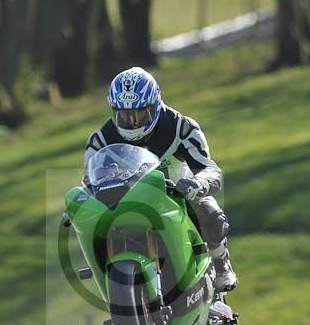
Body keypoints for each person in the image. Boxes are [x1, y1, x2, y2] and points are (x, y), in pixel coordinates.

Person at [84, 67, 238, 292]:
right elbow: (89, 181)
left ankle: (220, 261)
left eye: (139, 114)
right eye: (123, 115)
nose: (131, 122)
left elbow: (210, 169)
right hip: (125, 204)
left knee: (210, 211)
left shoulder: (181, 127)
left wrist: (198, 184)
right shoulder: (100, 140)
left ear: (155, 105)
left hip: (177, 196)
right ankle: (116, 286)